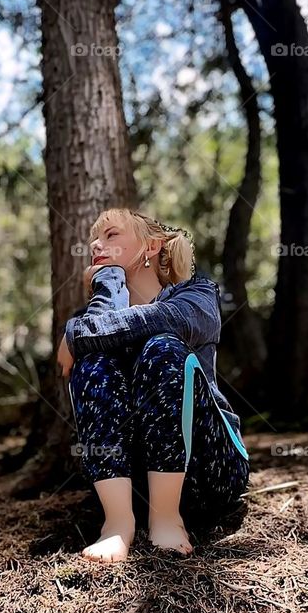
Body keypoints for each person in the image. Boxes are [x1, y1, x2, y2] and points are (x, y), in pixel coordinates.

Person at [56, 207, 250, 564]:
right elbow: (93, 336)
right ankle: (117, 523)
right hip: (133, 484)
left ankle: (167, 516)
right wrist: (108, 284)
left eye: (111, 235)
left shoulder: (197, 295)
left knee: (161, 347)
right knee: (93, 361)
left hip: (208, 471)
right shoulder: (92, 319)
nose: (97, 245)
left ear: (151, 247)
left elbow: (161, 321)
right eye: (94, 240)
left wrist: (76, 333)